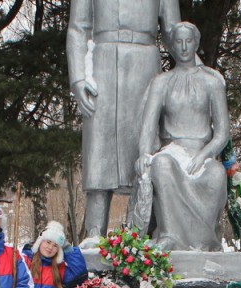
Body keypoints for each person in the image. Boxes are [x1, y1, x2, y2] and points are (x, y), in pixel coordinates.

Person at [67, 0, 181, 241]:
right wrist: (78, 78)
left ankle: (143, 232)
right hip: (102, 62)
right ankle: (95, 230)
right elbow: (78, 27)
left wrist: (194, 66)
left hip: (145, 62)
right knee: (98, 148)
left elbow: (174, 31)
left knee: (144, 144)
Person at [136, 21, 229, 252]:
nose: (184, 47)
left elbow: (222, 133)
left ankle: (205, 241)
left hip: (201, 154)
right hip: (172, 150)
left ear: (196, 43)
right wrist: (143, 156)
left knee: (217, 174)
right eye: (178, 41)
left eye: (189, 41)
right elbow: (148, 128)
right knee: (161, 164)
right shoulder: (161, 82)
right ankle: (170, 235)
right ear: (171, 46)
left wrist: (204, 155)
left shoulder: (212, 81)